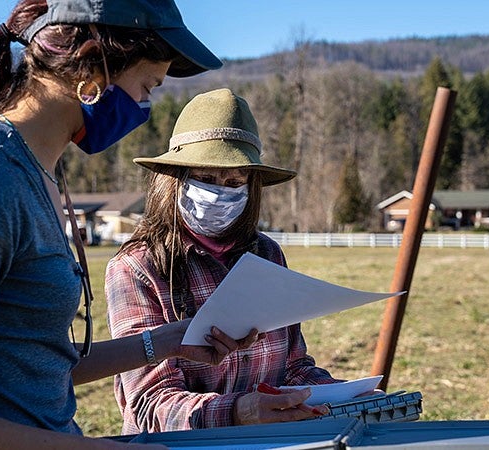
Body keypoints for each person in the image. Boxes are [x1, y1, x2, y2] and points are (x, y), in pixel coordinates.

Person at [0, 2, 259, 449]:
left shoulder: (39, 171)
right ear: (93, 66)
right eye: (147, 85)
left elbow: (30, 365)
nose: (146, 105)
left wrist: (167, 341)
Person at [106, 88, 343, 434]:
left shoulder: (268, 255)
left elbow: (292, 366)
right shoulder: (138, 267)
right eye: (205, 178)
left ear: (252, 186)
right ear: (174, 180)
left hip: (269, 442)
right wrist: (237, 412)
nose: (220, 191)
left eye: (234, 181)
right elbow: (149, 404)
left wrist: (343, 394)